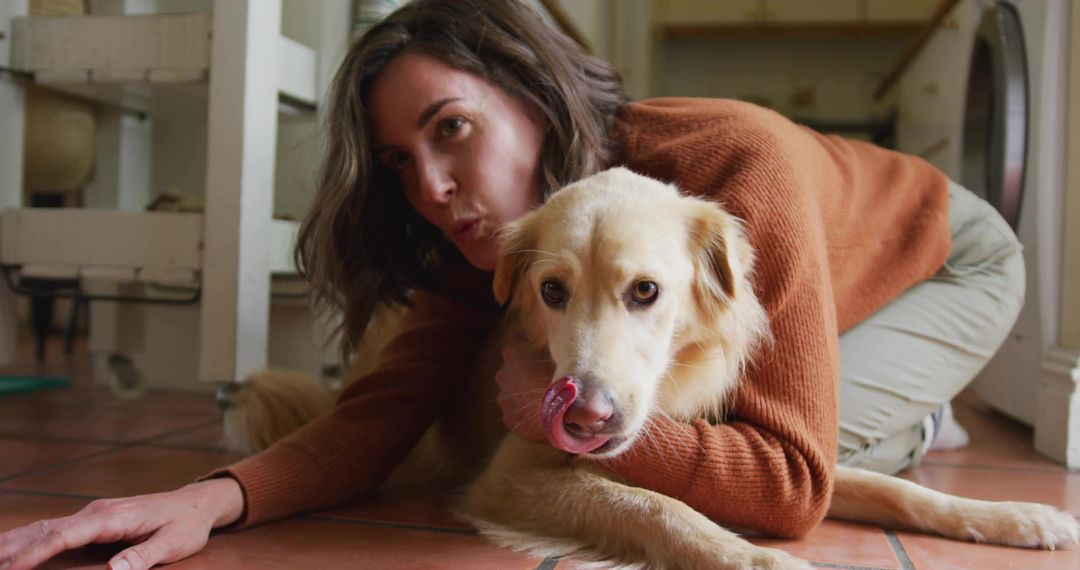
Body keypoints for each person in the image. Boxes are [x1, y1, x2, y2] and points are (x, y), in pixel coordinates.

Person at [0, 0, 1025, 569]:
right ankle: (863, 399)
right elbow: (378, 418)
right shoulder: (510, 241)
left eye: (451, 129)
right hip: (775, 288)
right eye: (402, 160)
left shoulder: (735, 174)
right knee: (701, 434)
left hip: (945, 261)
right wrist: (210, 500)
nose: (435, 188)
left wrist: (556, 423)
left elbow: (789, 491)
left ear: (531, 94)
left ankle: (906, 408)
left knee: (772, 448)